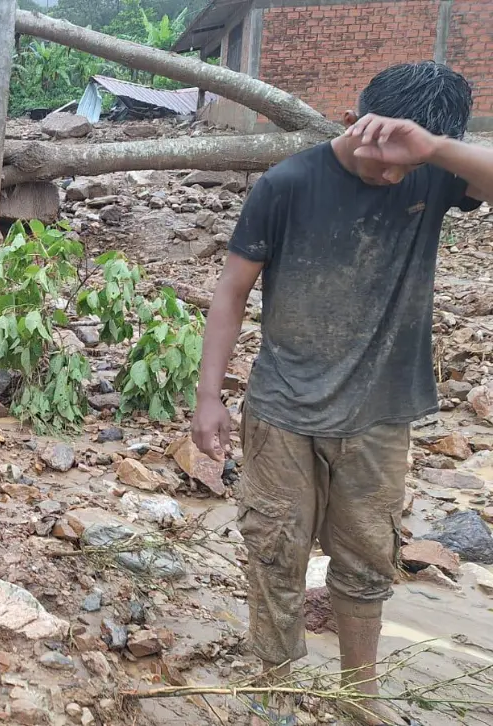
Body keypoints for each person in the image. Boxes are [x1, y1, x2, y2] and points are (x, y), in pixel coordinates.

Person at [191, 61, 491, 726]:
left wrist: (432, 151)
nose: (390, 175)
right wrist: (209, 396)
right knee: (275, 549)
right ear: (355, 122)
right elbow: (232, 290)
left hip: (381, 413)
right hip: (281, 412)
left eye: (405, 165)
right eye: (379, 157)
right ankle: (276, 684)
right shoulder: (288, 183)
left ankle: (362, 696)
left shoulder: (433, 172)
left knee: (365, 561)